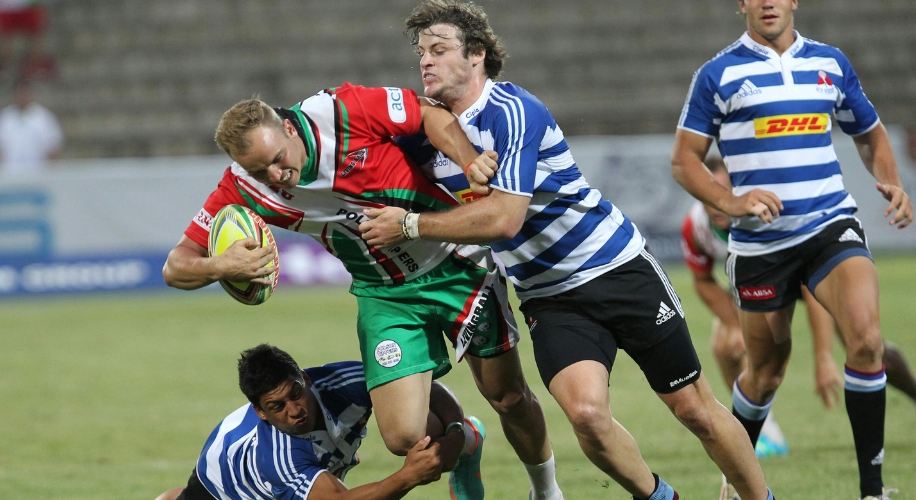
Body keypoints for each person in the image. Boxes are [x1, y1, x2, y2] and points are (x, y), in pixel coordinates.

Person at [358, 2, 775, 499]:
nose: (425, 61)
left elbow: (504, 218)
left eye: (439, 50)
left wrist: (408, 225)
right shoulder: (424, 139)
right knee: (587, 416)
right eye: (421, 52)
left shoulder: (513, 112)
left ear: (478, 56)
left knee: (693, 408)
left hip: (615, 268)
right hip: (549, 297)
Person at [161, 84, 562, 500]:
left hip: (456, 261)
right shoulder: (244, 187)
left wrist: (469, 161)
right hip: (383, 293)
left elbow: (426, 113)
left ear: (288, 128)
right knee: (404, 437)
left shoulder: (338, 110)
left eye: (277, 160)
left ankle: (546, 491)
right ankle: (467, 445)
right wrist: (219, 265)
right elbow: (175, 267)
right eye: (261, 171)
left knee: (508, 397)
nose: (276, 176)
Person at [671, 1, 913, 499]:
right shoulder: (718, 75)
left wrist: (890, 182)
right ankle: (737, 483)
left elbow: (869, 133)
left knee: (866, 340)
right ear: (741, 4)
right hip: (762, 246)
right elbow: (685, 162)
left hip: (830, 225)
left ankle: (873, 491)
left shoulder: (829, 63)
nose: (767, 2)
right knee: (765, 372)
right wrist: (731, 200)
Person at [155, 343, 453, 500]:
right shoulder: (277, 456)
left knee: (416, 418)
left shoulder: (344, 382)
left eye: (296, 393)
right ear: (261, 413)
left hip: (299, 461)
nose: (295, 410)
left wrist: (456, 430)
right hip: (224, 489)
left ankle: (470, 446)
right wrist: (408, 476)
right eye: (277, 406)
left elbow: (421, 387)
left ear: (305, 378)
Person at [0, 78, 62, 176]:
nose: (23, 97)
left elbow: (53, 147)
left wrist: (50, 173)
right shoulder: (5, 118)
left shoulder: (43, 117)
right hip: (9, 174)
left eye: (25, 93)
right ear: (14, 95)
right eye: (20, 93)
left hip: (38, 173)